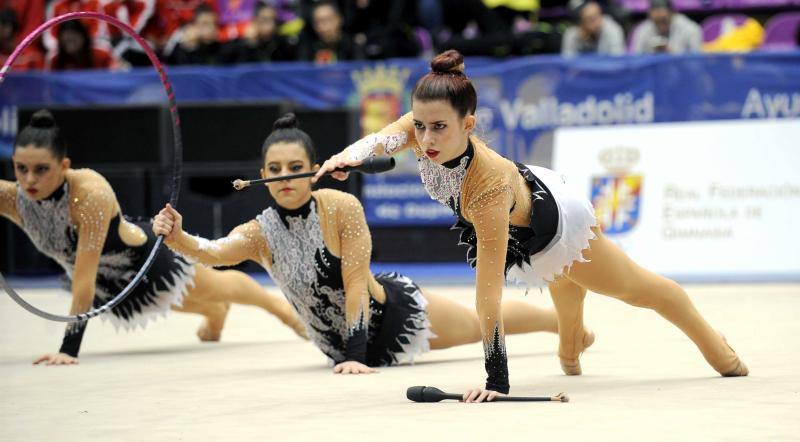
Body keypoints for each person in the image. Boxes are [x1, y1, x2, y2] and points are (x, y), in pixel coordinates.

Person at [315, 49, 748, 401]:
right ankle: (572, 341)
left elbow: (488, 291)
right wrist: (345, 159)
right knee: (563, 284)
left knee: (636, 288)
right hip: (525, 206)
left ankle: (716, 347)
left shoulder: (485, 189)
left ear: (469, 124)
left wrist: (496, 380)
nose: (425, 140)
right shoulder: (426, 125)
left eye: (439, 129)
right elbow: (380, 139)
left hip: (554, 222)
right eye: (421, 127)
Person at [153, 112, 571, 373]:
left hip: (392, 321)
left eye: (295, 167)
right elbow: (212, 252)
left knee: (477, 324)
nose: (285, 177)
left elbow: (354, 282)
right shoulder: (259, 231)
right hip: (333, 345)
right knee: (290, 312)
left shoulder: (340, 207)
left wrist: (354, 355)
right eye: (275, 168)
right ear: (262, 173)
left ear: (314, 171)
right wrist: (177, 237)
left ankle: (562, 325)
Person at [0, 110, 306, 366]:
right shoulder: (13, 198)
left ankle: (283, 312)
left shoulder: (90, 192)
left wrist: (68, 349)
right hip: (109, 282)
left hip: (146, 258)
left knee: (217, 286)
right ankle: (214, 312)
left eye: (41, 170)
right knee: (174, 304)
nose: (29, 180)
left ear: (64, 166)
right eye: (21, 169)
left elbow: (84, 276)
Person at [631, 0, 701, 54]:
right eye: (657, 22)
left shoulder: (690, 29)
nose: (660, 25)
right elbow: (635, 61)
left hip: (681, 71)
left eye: (663, 20)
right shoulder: (642, 30)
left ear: (672, 14)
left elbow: (697, 63)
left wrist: (672, 54)